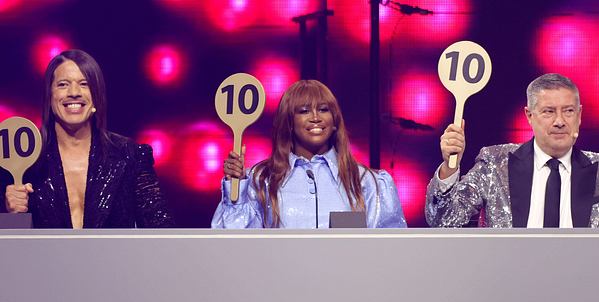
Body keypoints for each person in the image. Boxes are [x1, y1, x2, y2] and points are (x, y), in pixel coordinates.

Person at [3, 49, 173, 228]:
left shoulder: (128, 155)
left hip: (113, 257)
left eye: (84, 84)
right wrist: (9, 212)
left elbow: (161, 229)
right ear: (49, 95)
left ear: (96, 96)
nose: (74, 92)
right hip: (44, 256)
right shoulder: (25, 160)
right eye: (63, 84)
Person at [211, 79, 407, 228]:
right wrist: (235, 189)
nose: (315, 118)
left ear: (335, 121)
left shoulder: (369, 183)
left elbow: (391, 250)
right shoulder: (261, 179)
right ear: (289, 121)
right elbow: (233, 246)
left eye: (323, 110)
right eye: (304, 111)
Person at [425, 73, 599, 228]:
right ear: (529, 115)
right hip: (509, 265)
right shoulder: (495, 164)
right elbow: (443, 221)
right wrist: (450, 167)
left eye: (569, 111)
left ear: (579, 115)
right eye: (549, 112)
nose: (560, 121)